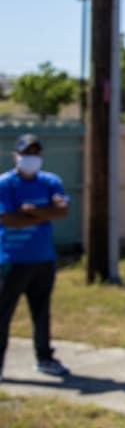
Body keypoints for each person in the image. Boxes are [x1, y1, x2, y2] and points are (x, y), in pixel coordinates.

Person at [0, 134, 72, 383]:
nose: (31, 158)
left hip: (43, 259)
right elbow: (9, 219)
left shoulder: (51, 181)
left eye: (35, 153)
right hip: (11, 260)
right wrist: (46, 213)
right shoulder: (5, 184)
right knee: (3, 314)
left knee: (41, 312)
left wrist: (32, 212)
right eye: (26, 153)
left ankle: (45, 358)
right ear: (15, 156)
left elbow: (63, 211)